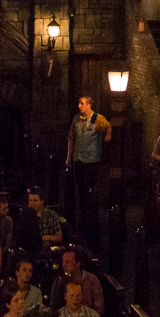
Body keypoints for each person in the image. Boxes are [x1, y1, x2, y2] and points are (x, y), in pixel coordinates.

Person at [66, 95, 111, 239]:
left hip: (91, 161)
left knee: (89, 191)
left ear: (89, 105)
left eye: (82, 103)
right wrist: (69, 157)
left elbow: (108, 127)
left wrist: (108, 135)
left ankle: (91, 222)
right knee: (80, 190)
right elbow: (71, 138)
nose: (79, 106)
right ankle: (83, 220)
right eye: (79, 103)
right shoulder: (76, 119)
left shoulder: (97, 118)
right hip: (79, 159)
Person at [49, 247, 105, 317]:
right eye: (63, 261)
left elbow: (99, 307)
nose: (64, 265)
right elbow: (54, 307)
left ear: (78, 264)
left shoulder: (91, 279)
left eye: (68, 261)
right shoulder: (59, 281)